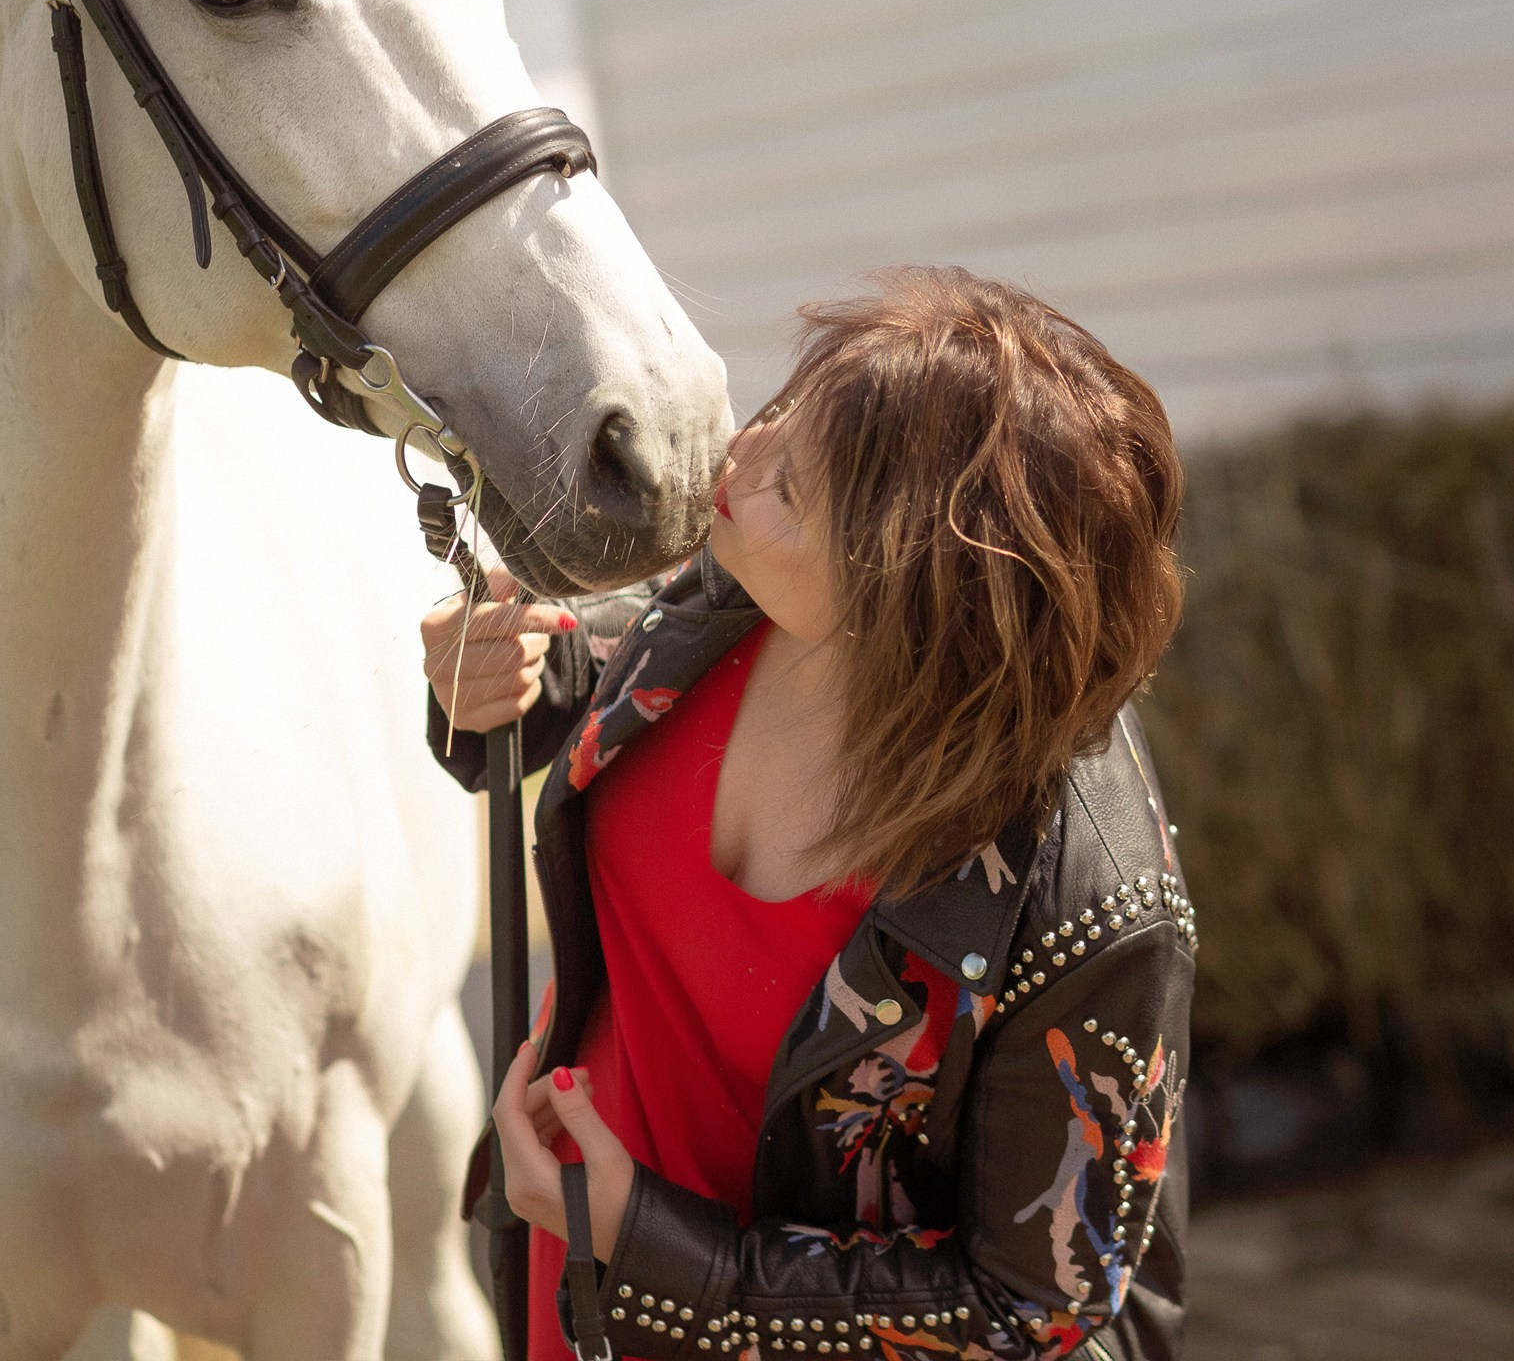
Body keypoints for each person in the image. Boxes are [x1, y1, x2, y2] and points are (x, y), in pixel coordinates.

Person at [421, 266, 1194, 1361]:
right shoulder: (735, 594)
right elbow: (589, 672)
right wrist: (498, 679)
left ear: (913, 597)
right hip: (578, 1296)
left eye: (796, 482)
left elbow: (1030, 1307)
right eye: (786, 411)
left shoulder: (1094, 899)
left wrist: (648, 1241)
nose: (742, 456)